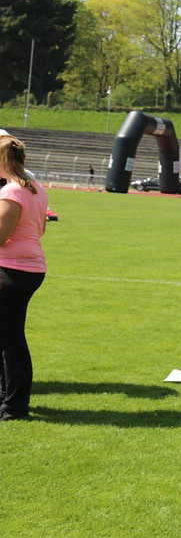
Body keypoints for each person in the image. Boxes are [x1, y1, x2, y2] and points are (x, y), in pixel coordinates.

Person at [0, 134, 49, 422]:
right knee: (9, 338)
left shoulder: (10, 192)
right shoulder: (35, 189)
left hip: (10, 270)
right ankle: (9, 400)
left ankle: (14, 407)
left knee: (10, 340)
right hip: (30, 267)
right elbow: (39, 229)